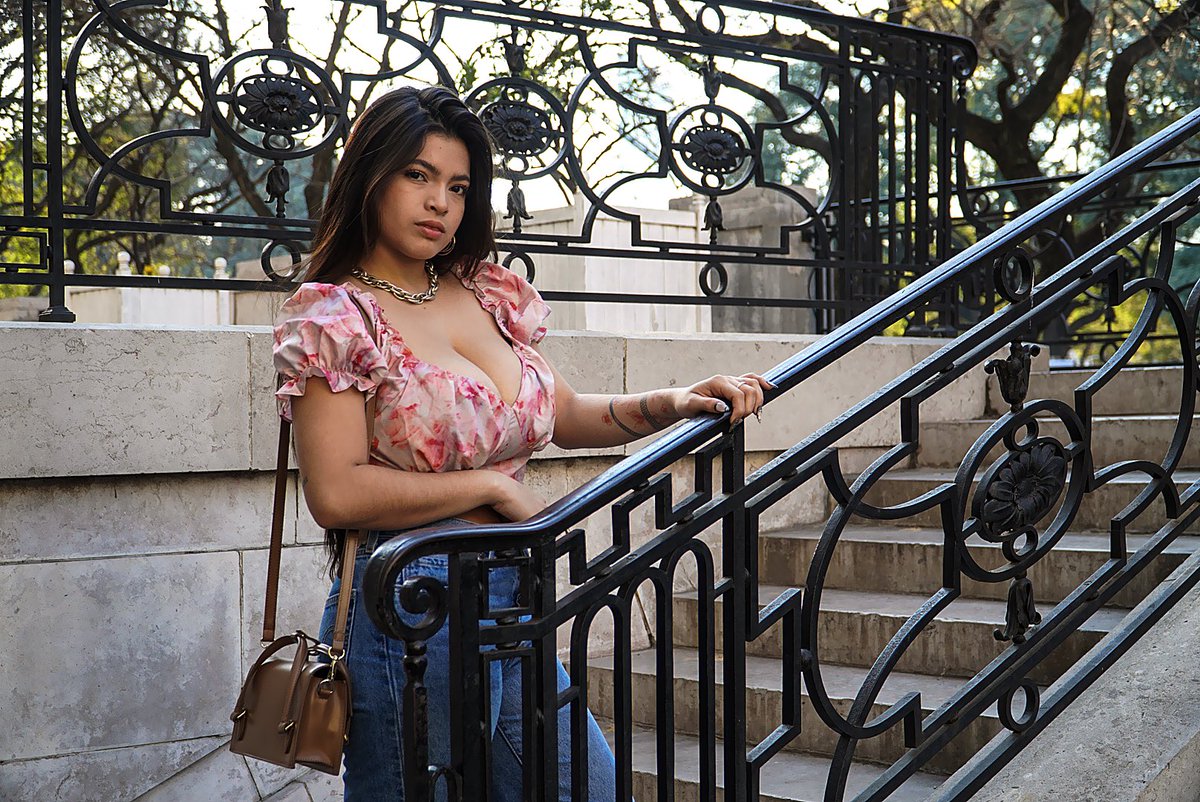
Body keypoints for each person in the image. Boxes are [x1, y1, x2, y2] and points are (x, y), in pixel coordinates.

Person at [272, 85, 773, 801]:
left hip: (514, 592)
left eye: (458, 186)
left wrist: (671, 401)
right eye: (417, 175)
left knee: (591, 788)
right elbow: (337, 492)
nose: (439, 203)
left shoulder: (482, 292)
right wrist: (490, 487)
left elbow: (562, 414)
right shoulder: (335, 315)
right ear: (370, 177)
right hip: (411, 603)